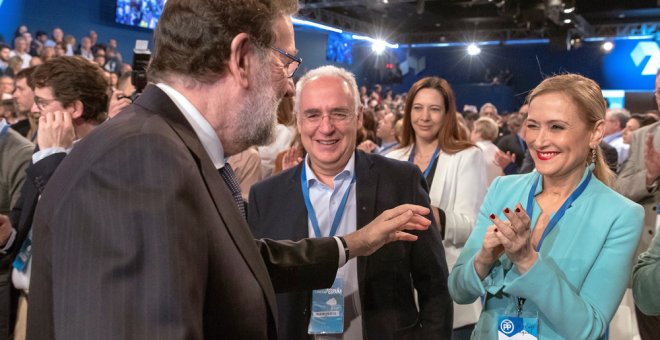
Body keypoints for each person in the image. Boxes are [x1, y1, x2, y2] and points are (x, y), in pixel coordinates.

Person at [26, 1, 432, 339]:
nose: (289, 87)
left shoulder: (168, 149)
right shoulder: (139, 164)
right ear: (241, 59)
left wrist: (351, 245)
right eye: (285, 63)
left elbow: (241, 260)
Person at [249, 65, 452, 339]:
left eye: (338, 113)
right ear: (298, 121)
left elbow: (435, 285)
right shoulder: (266, 196)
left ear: (357, 117)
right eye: (313, 115)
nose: (326, 127)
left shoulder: (402, 182)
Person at [449, 74, 644, 339]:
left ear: (595, 132)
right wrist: (483, 258)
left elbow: (589, 328)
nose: (539, 141)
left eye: (556, 127)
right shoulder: (502, 190)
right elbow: (458, 291)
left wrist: (527, 260)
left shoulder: (621, 215)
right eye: (532, 125)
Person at [0, 56, 108, 340]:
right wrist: (9, 235)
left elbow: (77, 230)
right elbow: (32, 223)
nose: (35, 110)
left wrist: (52, 158)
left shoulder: (109, 157)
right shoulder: (45, 147)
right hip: (25, 302)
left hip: (66, 317)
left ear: (74, 108)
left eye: (43, 102)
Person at [387, 76, 486, 338]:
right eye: (418, 108)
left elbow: (471, 227)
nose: (424, 117)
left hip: (448, 290)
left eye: (434, 109)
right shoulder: (391, 158)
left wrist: (428, 214)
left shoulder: (467, 156)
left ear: (447, 114)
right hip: (400, 293)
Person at [620, 69, 660, 340]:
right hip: (649, 267)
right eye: (659, 91)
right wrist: (649, 176)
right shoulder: (643, 137)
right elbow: (618, 190)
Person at [471, 117, 501, 186]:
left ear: (479, 133)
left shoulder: (474, 150)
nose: (471, 132)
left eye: (473, 130)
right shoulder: (497, 150)